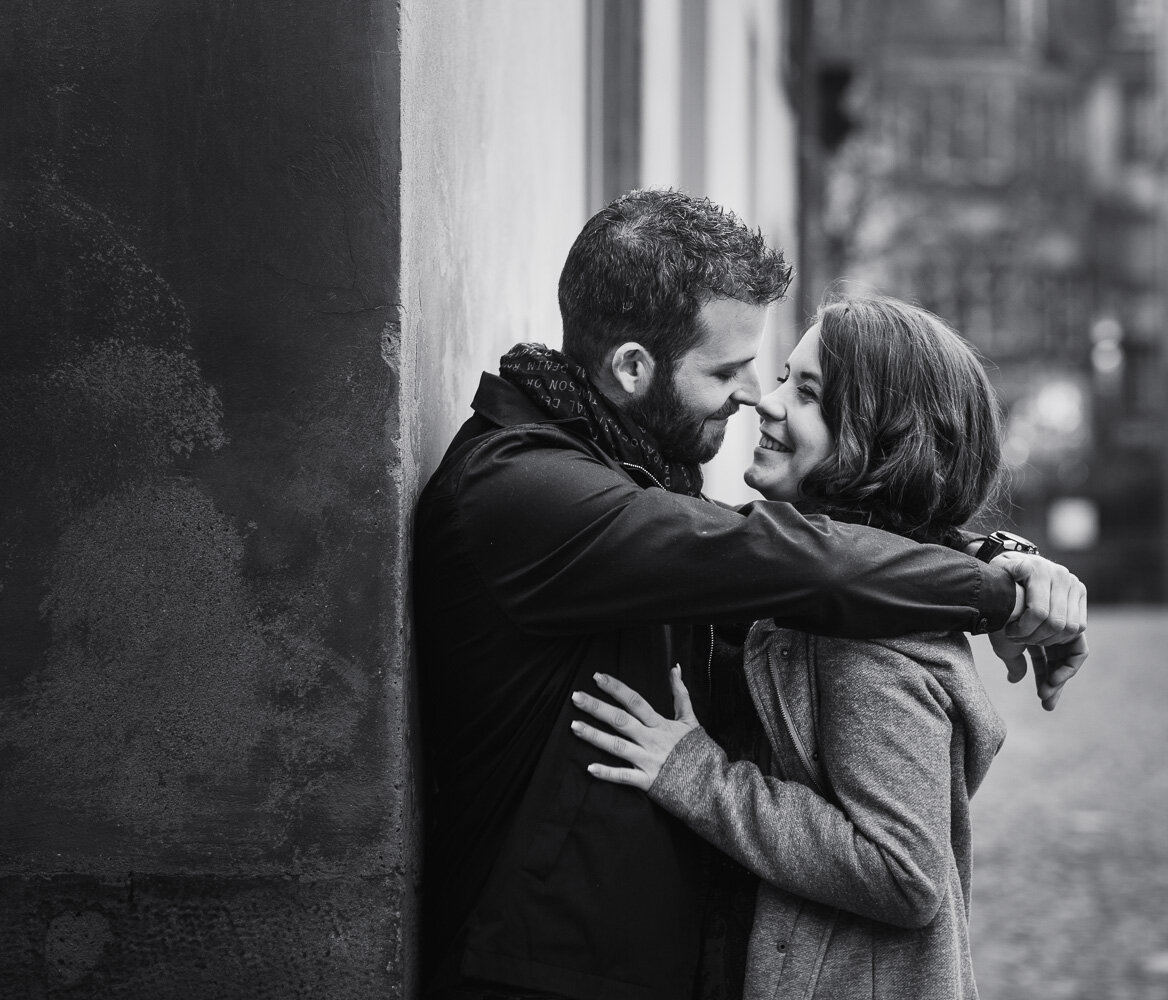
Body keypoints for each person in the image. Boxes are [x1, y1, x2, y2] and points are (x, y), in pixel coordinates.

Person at [413, 190, 1087, 1000]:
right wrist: (996, 590)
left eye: (794, 386)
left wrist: (998, 555)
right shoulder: (530, 490)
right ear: (634, 367)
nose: (751, 398)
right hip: (532, 973)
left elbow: (900, 866)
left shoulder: (629, 478)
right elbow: (791, 558)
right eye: (729, 370)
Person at [570, 295, 1035, 1000]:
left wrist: (696, 774)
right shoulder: (832, 595)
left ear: (881, 439)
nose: (768, 402)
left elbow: (902, 871)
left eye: (807, 393)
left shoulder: (867, 643)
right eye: (785, 377)